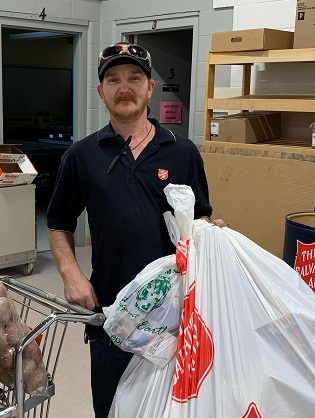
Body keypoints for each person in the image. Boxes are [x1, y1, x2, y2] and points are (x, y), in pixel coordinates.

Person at [46, 42, 222, 418]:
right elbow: (59, 223)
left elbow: (200, 218)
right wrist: (71, 274)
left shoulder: (183, 151)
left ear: (149, 89)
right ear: (101, 92)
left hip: (177, 315)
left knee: (172, 410)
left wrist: (212, 232)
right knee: (110, 408)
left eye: (134, 78)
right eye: (113, 79)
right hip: (112, 313)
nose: (124, 87)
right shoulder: (81, 156)